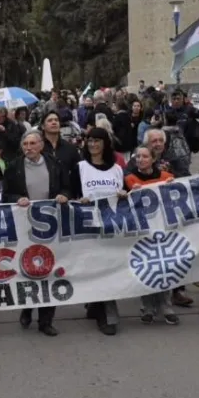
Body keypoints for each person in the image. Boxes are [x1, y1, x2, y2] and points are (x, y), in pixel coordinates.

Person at [2, 131, 72, 336]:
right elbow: (6, 194)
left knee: (49, 270)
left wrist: (64, 195)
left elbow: (68, 188)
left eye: (33, 143)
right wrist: (17, 198)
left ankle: (46, 320)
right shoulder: (14, 167)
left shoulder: (55, 164)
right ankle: (27, 307)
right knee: (29, 269)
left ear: (41, 145)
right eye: (25, 143)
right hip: (26, 226)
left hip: (51, 227)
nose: (28, 147)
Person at [72, 127, 127, 336]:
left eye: (97, 141)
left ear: (105, 143)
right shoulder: (80, 167)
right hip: (90, 228)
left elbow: (126, 193)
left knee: (110, 269)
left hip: (113, 228)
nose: (93, 145)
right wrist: (79, 200)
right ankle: (105, 312)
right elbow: (72, 193)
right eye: (90, 141)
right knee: (96, 268)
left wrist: (124, 194)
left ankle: (101, 309)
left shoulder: (117, 169)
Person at [124, 145, 178, 325]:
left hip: (163, 230)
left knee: (164, 267)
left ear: (153, 159)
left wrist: (174, 187)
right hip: (142, 232)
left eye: (145, 156)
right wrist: (128, 193)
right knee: (145, 268)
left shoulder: (166, 178)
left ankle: (166, 306)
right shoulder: (129, 179)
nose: (140, 159)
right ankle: (147, 306)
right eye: (138, 156)